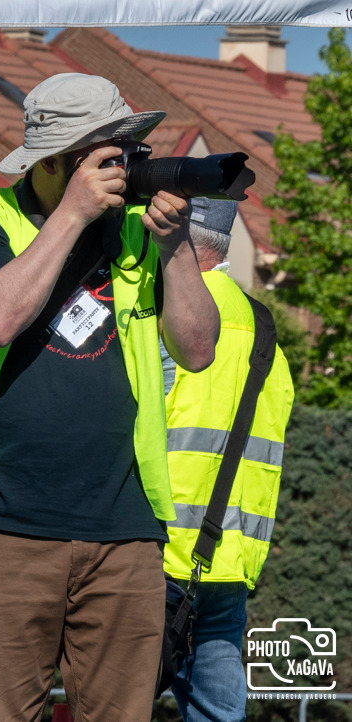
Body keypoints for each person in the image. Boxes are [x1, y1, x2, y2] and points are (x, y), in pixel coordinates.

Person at [0, 73, 220, 721]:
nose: (126, 168)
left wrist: (174, 249)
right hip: (5, 524)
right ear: (56, 161)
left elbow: (199, 350)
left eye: (131, 152)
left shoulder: (138, 232)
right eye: (108, 155)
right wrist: (71, 217)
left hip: (126, 532)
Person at [161, 198, 294, 721]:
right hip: (229, 559)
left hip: (157, 554)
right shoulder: (264, 330)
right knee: (217, 711)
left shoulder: (166, 319)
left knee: (110, 701)